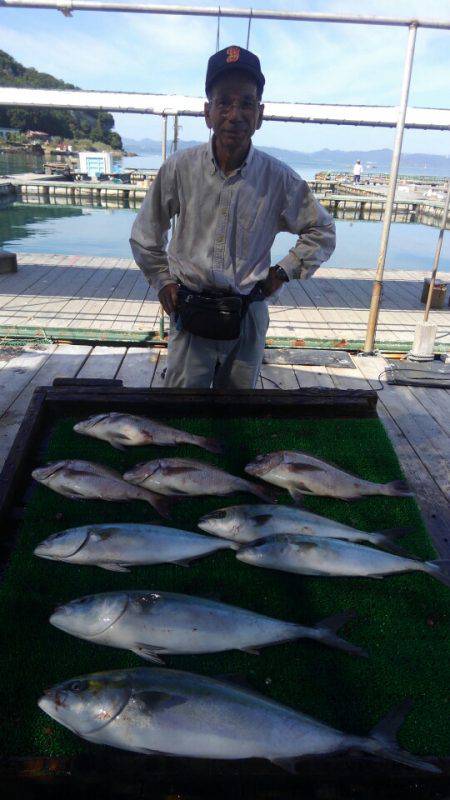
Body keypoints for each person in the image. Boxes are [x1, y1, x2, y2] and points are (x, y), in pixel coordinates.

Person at [130, 45, 336, 389]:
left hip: (248, 315)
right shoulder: (179, 168)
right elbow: (146, 233)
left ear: (260, 114)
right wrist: (162, 279)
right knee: (182, 409)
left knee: (240, 412)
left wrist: (284, 271)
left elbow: (322, 230)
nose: (234, 114)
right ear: (207, 112)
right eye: (224, 102)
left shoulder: (279, 178)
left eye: (246, 103)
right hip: (190, 310)